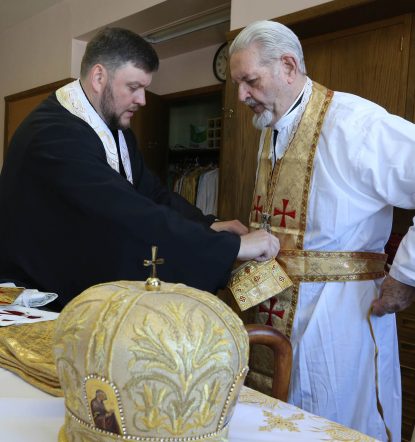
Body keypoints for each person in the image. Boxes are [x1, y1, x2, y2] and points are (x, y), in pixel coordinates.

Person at [0, 27, 279, 310]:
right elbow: (126, 212)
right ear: (99, 77)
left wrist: (207, 224)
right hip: (35, 303)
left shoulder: (114, 128)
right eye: (134, 87)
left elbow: (151, 192)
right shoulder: (53, 134)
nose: (143, 100)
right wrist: (232, 248)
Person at [229, 20, 415, 442]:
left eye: (250, 81)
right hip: (275, 313)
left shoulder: (357, 124)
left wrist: (407, 275)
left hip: (339, 319)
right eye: (238, 84)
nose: (241, 95)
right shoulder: (273, 124)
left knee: (330, 422)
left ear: (289, 67)